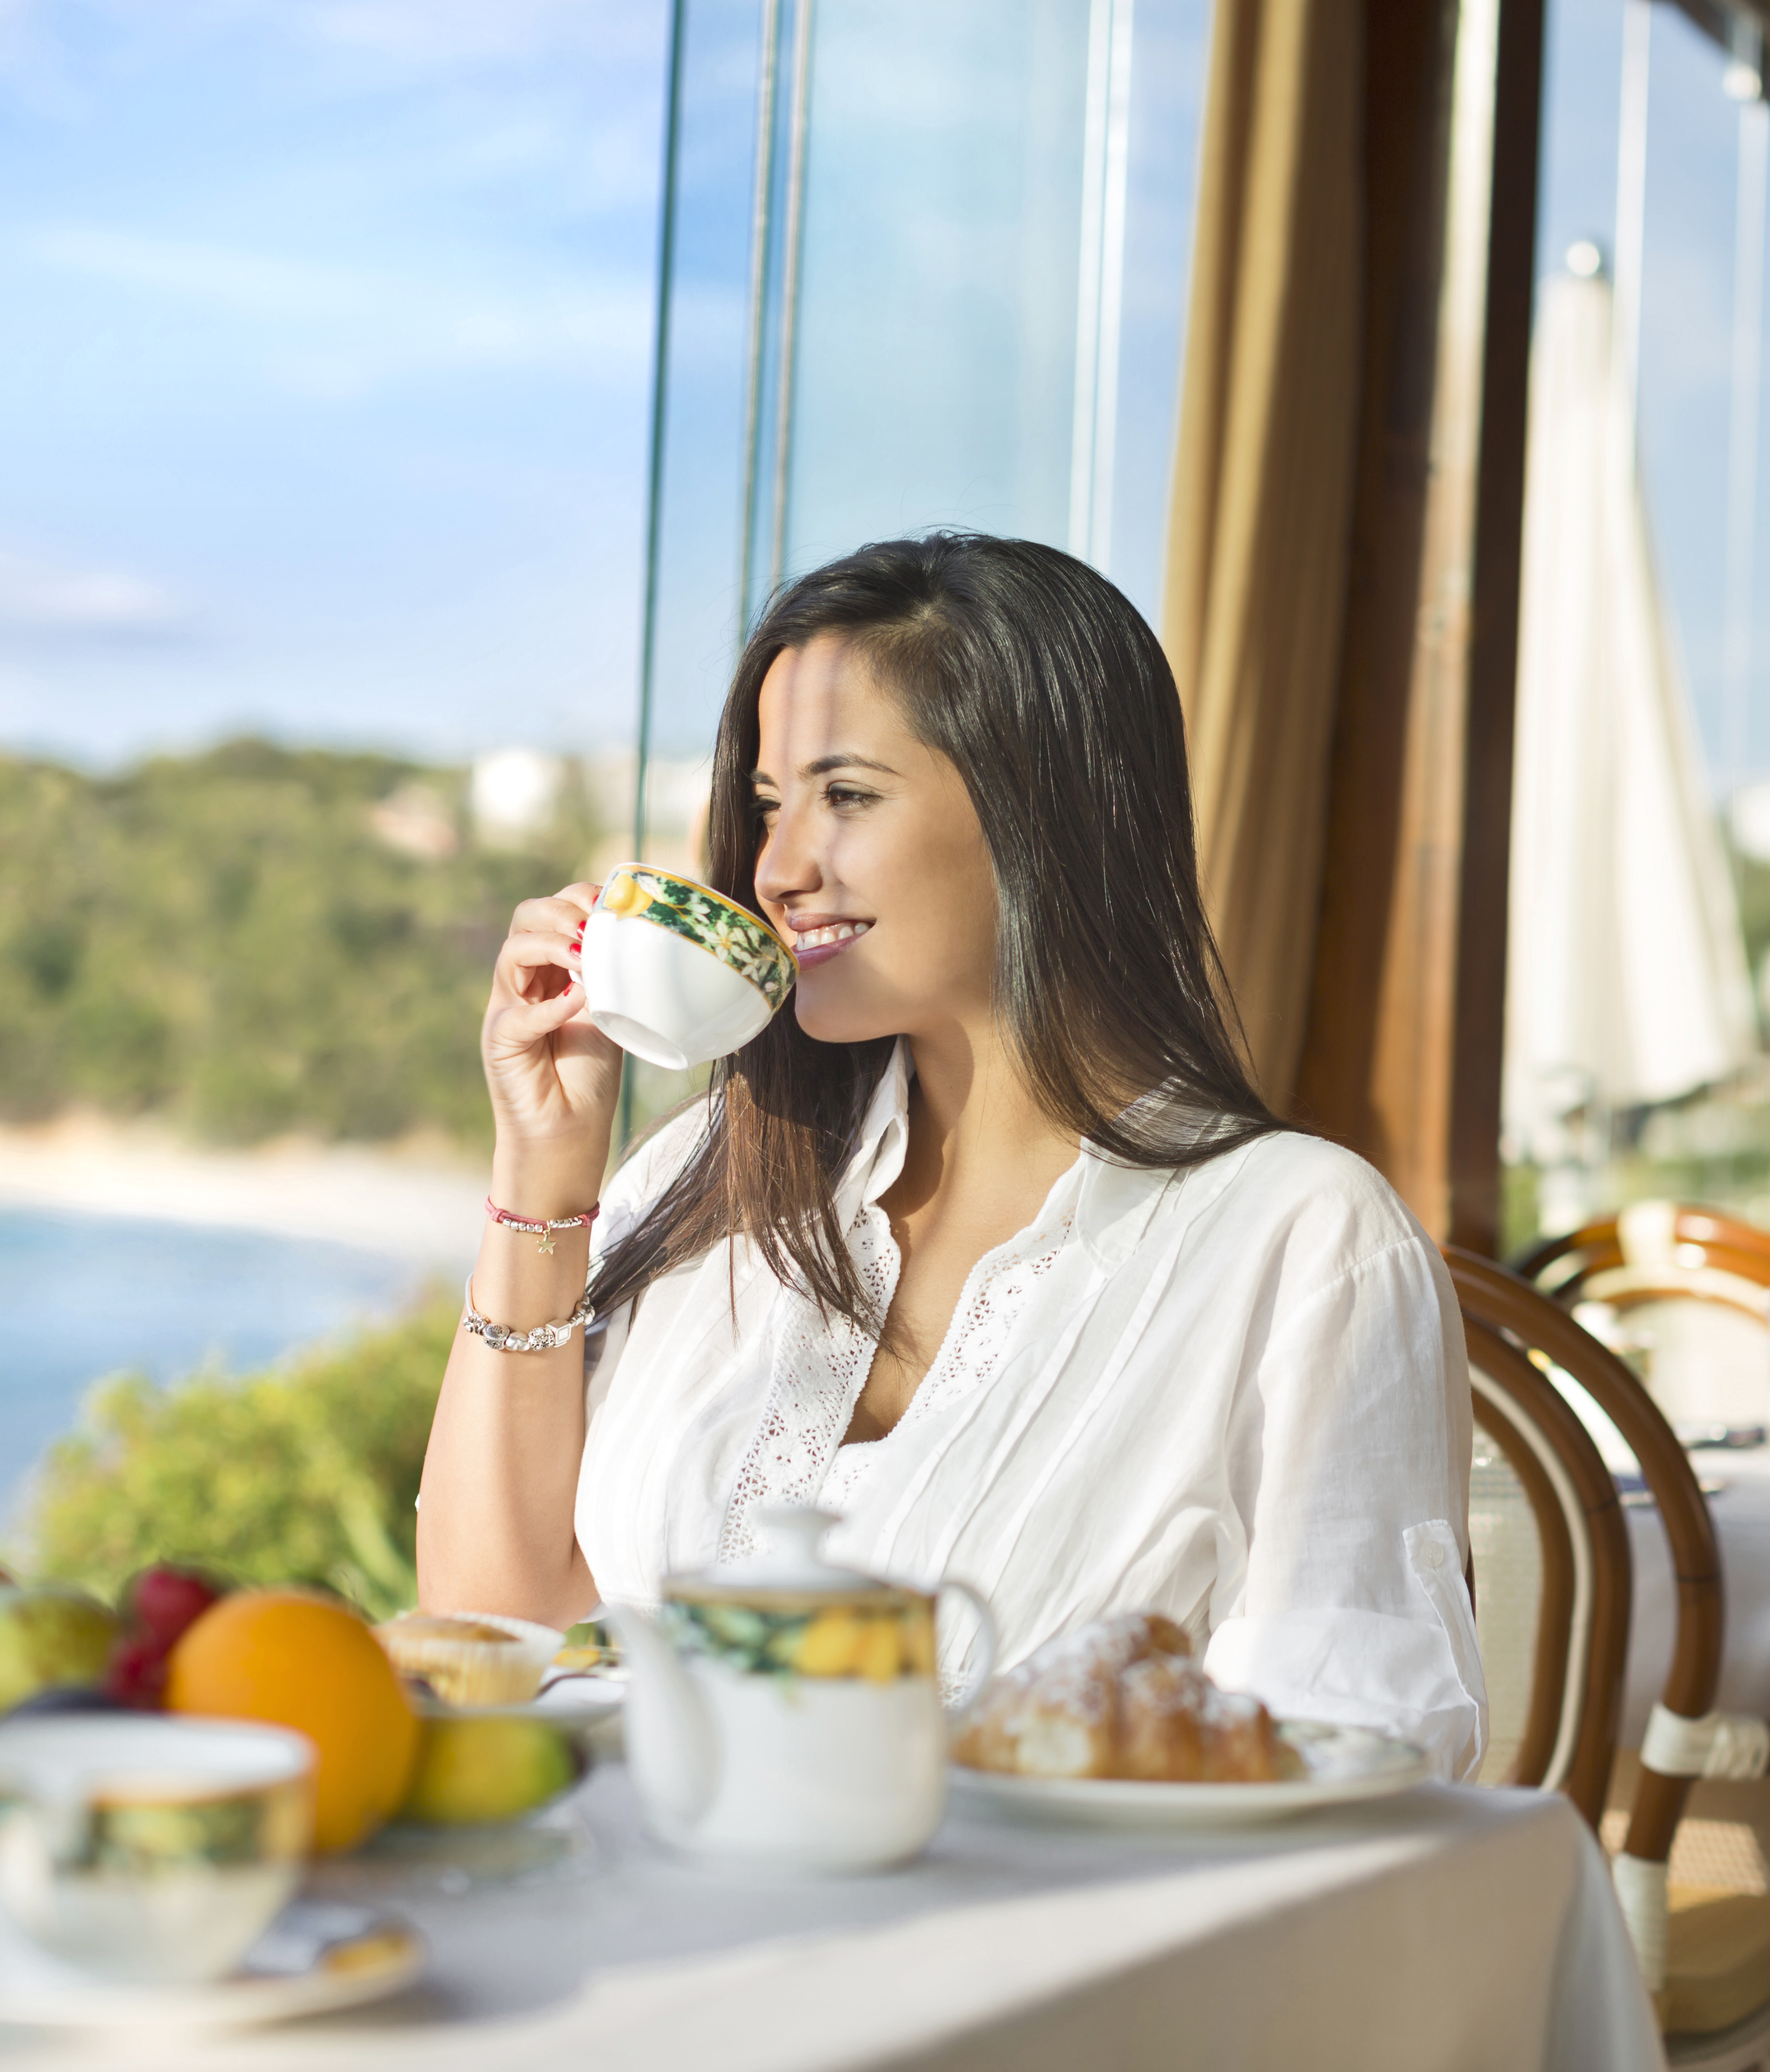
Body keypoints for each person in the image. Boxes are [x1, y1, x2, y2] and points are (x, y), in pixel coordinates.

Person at [414, 534, 1486, 1777]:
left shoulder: (1300, 1241)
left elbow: (1355, 1765)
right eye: (768, 804)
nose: (775, 869)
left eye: (847, 796)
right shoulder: (708, 1179)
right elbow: (499, 1627)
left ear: (1045, 807)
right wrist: (544, 1176)